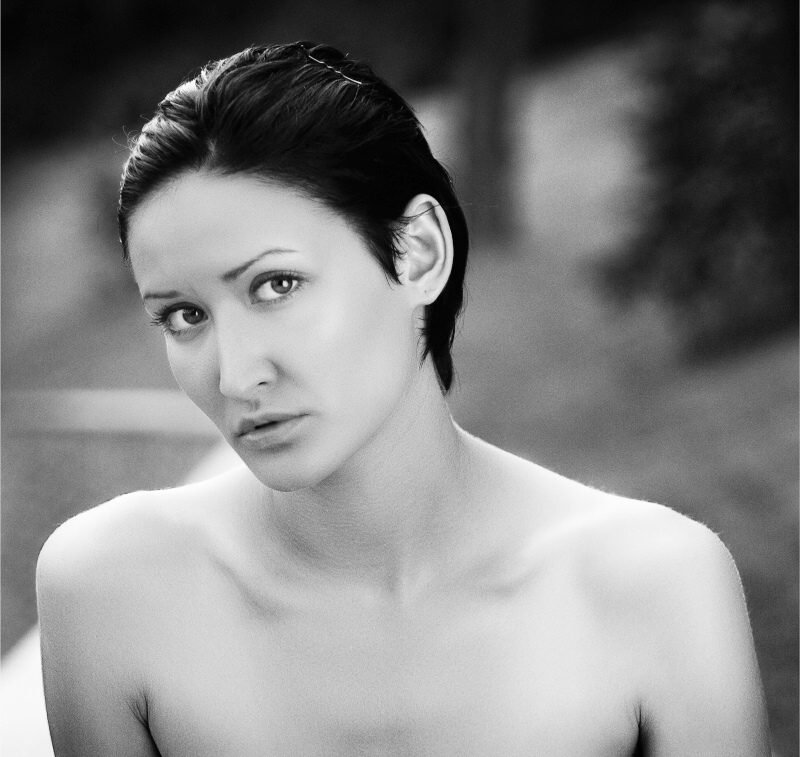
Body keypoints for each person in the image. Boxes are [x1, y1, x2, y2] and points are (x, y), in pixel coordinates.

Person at [36, 42, 771, 756]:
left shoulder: (653, 587)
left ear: (419, 253)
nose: (234, 376)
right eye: (184, 315)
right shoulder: (112, 593)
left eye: (276, 285)